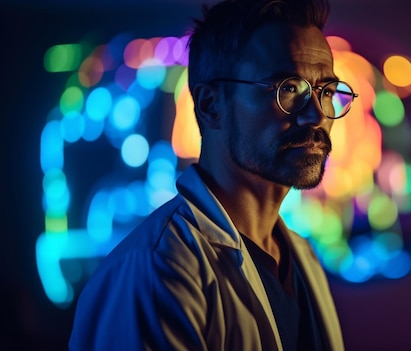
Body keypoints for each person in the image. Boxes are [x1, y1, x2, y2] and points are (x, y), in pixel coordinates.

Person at [69, 0, 358, 350]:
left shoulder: (301, 257)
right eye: (288, 88)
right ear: (210, 105)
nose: (315, 115)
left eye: (326, 91)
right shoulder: (155, 270)